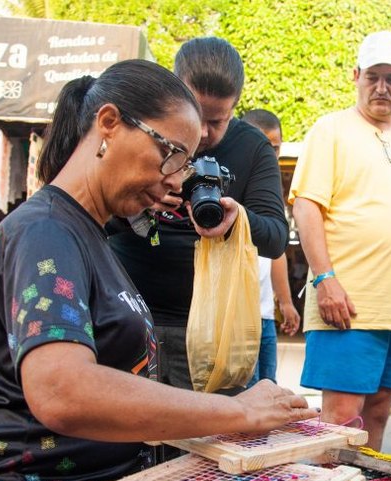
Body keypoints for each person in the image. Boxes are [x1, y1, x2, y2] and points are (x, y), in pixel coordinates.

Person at [0, 60, 316, 481]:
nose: (176, 179)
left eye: (186, 164)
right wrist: (237, 412)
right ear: (109, 123)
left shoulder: (87, 231)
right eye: (172, 154)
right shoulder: (45, 232)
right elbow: (61, 389)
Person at [289, 30, 391, 451]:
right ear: (356, 76)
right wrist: (324, 280)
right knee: (341, 423)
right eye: (373, 76)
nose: (381, 87)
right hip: (348, 305)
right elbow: (306, 207)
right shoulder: (330, 130)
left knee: (378, 414)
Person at [108, 37, 288, 392]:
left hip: (216, 335)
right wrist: (137, 203)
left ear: (236, 106)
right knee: (129, 444)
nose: (203, 133)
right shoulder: (139, 130)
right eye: (194, 114)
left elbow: (276, 237)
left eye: (217, 121)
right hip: (130, 320)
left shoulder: (252, 148)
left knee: (215, 446)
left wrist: (237, 218)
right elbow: (92, 213)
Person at [241, 108, 301, 385]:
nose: (268, 154)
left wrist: (285, 302)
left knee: (269, 391)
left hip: (264, 314)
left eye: (274, 148)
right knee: (244, 397)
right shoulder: (233, 177)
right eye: (262, 145)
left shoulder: (271, 183)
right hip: (237, 316)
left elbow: (275, 249)